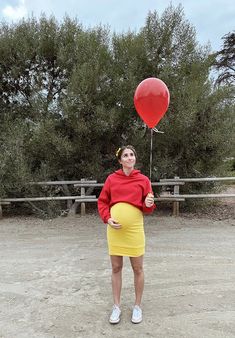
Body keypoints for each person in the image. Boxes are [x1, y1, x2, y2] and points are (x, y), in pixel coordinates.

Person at [97, 145, 156, 324]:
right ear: (120, 160)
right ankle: (116, 307)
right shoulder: (111, 179)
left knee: (138, 268)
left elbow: (148, 209)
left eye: (132, 155)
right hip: (115, 231)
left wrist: (148, 202)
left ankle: (137, 307)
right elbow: (102, 202)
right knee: (116, 268)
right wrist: (107, 218)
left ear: (134, 159)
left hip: (134, 230)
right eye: (126, 155)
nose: (129, 157)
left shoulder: (144, 180)